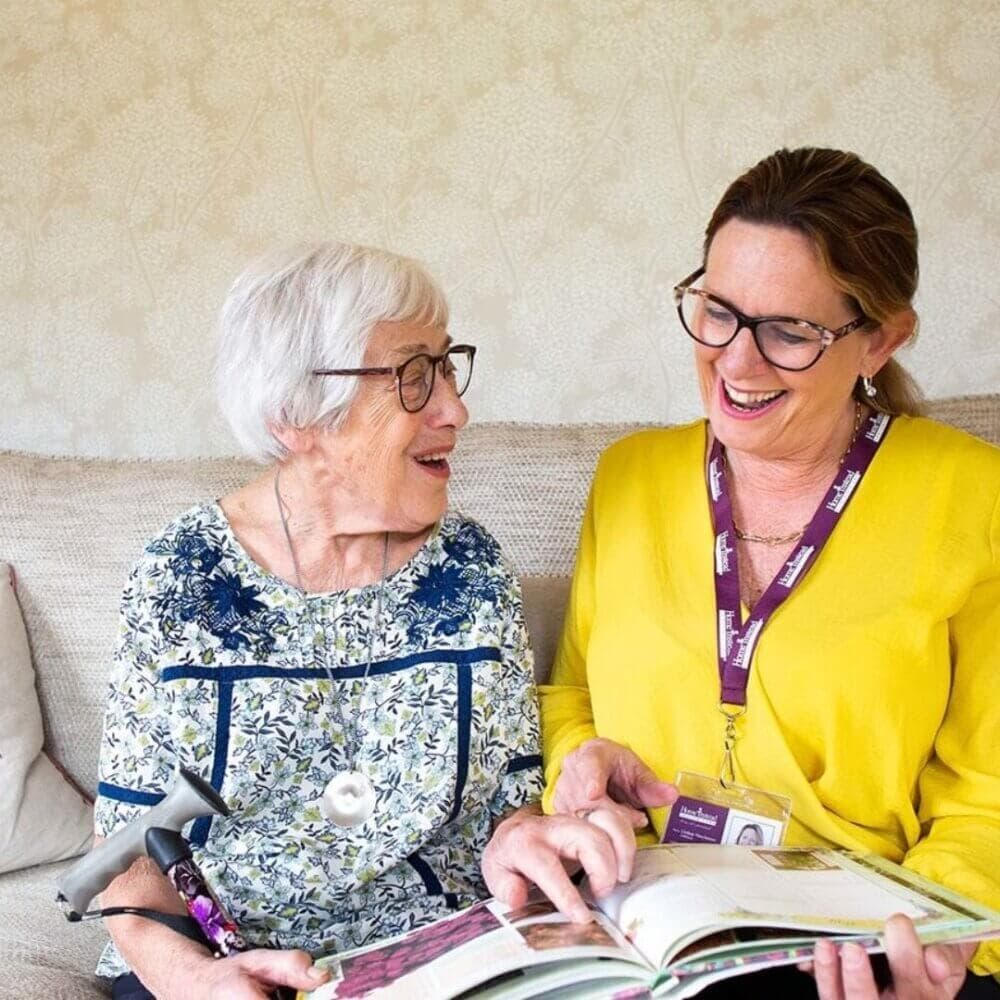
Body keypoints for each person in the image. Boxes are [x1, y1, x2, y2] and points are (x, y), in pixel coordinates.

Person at [485, 148, 1000, 998]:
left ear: (882, 339)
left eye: (790, 332)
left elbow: (986, 793)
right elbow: (571, 694)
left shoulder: (974, 496)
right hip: (647, 923)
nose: (736, 362)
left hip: (859, 942)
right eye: (718, 312)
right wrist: (580, 768)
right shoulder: (630, 476)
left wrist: (938, 937)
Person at [93, 242, 544, 999]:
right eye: (411, 376)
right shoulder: (182, 577)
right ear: (297, 414)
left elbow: (511, 810)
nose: (454, 409)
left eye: (446, 365)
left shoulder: (466, 566)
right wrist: (194, 979)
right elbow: (130, 855)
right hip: (228, 961)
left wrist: (529, 843)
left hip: (438, 959)